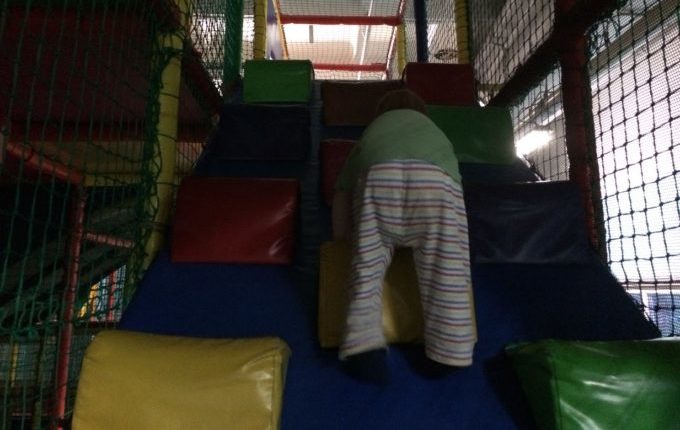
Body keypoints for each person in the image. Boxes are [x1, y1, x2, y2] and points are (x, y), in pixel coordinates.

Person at [332, 89, 476, 384]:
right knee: (445, 271)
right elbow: (456, 191)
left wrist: (343, 237)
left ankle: (363, 347)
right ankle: (450, 351)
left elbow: (342, 193)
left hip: (379, 181)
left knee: (366, 269)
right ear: (421, 113)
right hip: (434, 186)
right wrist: (456, 240)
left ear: (381, 113)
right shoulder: (435, 132)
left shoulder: (372, 132)